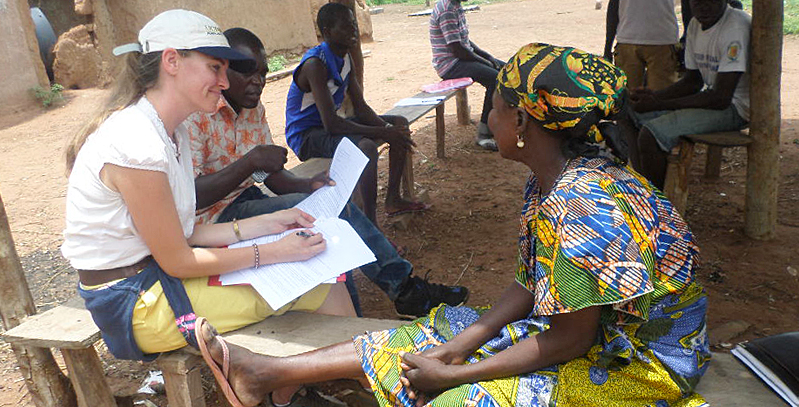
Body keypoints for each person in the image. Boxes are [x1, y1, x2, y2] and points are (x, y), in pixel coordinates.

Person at [193, 44, 711, 407]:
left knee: (459, 398)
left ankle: (270, 376)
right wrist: (462, 343)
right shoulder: (555, 180)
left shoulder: (584, 211)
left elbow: (569, 340)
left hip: (640, 362)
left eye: (499, 104)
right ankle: (263, 373)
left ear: (525, 123)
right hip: (592, 330)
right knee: (443, 329)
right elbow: (531, 284)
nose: (491, 113)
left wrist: (458, 372)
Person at [61, 10, 356, 406]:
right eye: (214, 67)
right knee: (318, 282)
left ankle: (289, 392)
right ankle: (298, 390)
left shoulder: (171, 132)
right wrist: (271, 251)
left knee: (316, 273)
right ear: (171, 62)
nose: (223, 80)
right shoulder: (136, 145)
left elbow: (184, 231)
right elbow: (179, 260)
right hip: (134, 302)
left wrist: (271, 222)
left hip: (152, 279)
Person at [184, 27, 469, 319]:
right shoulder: (195, 115)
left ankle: (396, 294)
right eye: (247, 72)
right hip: (212, 220)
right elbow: (192, 198)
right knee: (321, 220)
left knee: (329, 207)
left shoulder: (252, 110)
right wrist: (249, 163)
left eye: (263, 73)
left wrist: (308, 185)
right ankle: (394, 296)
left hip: (248, 199)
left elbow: (266, 175)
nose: (258, 82)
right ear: (222, 71)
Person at [285, 3, 426, 223]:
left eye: (353, 24)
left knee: (399, 123)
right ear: (328, 32)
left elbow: (360, 106)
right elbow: (332, 124)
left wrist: (388, 129)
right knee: (366, 147)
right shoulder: (315, 64)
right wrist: (382, 131)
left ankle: (393, 200)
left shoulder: (346, 58)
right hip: (307, 136)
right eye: (346, 26)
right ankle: (371, 225)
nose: (353, 30)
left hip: (329, 127)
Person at [624, 0, 750, 189]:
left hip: (736, 108)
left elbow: (720, 98)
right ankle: (645, 187)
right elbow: (693, 82)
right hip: (715, 99)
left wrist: (657, 104)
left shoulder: (735, 27)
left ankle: (656, 204)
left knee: (650, 135)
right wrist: (654, 96)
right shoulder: (695, 25)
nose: (703, 6)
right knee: (627, 112)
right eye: (696, 2)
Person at [430, 0, 505, 151]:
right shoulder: (447, 10)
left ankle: (502, 122)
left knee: (507, 69)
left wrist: (487, 57)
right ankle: (484, 134)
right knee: (495, 79)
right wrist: (485, 61)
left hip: (460, 59)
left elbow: (465, 42)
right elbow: (458, 49)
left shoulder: (454, 5)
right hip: (450, 65)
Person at [603, 0, 680, 90]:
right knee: (661, 96)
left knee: (628, 97)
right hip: (661, 40)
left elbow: (614, 5)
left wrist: (608, 47)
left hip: (630, 39)